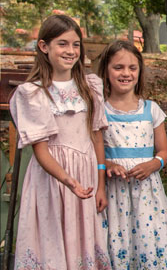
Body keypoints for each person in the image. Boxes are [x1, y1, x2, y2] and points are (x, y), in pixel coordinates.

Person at [9, 14, 111, 269]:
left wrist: (100, 184)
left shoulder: (90, 87)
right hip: (53, 178)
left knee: (81, 242)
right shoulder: (33, 92)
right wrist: (67, 180)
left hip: (85, 175)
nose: (71, 50)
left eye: (76, 44)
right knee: (52, 240)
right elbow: (41, 151)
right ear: (44, 47)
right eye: (62, 44)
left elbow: (96, 136)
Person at [97, 40, 167, 268]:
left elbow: (164, 152)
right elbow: (94, 152)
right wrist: (110, 164)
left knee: (150, 241)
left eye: (132, 68)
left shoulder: (151, 110)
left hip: (147, 193)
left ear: (139, 72)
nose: (126, 73)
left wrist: (153, 164)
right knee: (119, 242)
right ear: (106, 71)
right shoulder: (100, 111)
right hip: (115, 194)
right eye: (118, 67)